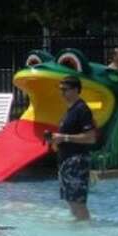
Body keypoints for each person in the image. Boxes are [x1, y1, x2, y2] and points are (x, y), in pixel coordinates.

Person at [49, 76, 98, 221]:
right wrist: (56, 141)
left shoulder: (82, 109)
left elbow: (91, 137)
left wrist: (64, 138)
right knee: (71, 201)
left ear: (76, 90)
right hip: (66, 161)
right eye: (60, 90)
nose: (62, 93)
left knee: (78, 203)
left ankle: (86, 233)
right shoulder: (70, 111)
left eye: (65, 90)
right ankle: (80, 233)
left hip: (77, 160)